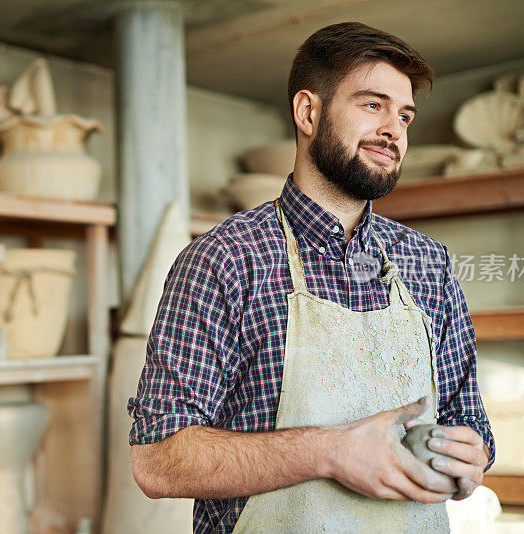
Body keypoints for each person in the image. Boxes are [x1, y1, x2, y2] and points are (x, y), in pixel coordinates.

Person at [127, 21, 494, 533]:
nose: (394, 129)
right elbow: (158, 460)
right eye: (373, 105)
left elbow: (469, 421)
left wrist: (471, 455)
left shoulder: (427, 264)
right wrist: (330, 452)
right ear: (308, 112)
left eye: (404, 114)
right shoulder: (225, 259)